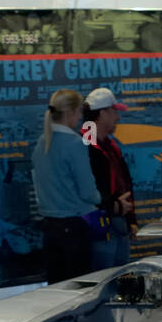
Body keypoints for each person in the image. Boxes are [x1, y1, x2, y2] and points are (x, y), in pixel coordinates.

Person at [31, 87, 101, 284]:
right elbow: (88, 192)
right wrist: (102, 198)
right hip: (74, 230)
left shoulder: (42, 142)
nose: (80, 118)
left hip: (51, 230)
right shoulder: (74, 144)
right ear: (70, 113)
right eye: (79, 112)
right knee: (79, 292)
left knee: (57, 292)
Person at [84, 87, 136, 270]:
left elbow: (124, 182)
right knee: (101, 278)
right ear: (102, 113)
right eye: (114, 112)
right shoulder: (86, 146)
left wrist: (131, 219)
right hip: (99, 225)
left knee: (119, 277)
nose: (117, 117)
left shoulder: (110, 146)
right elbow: (87, 190)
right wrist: (112, 205)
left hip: (117, 222)